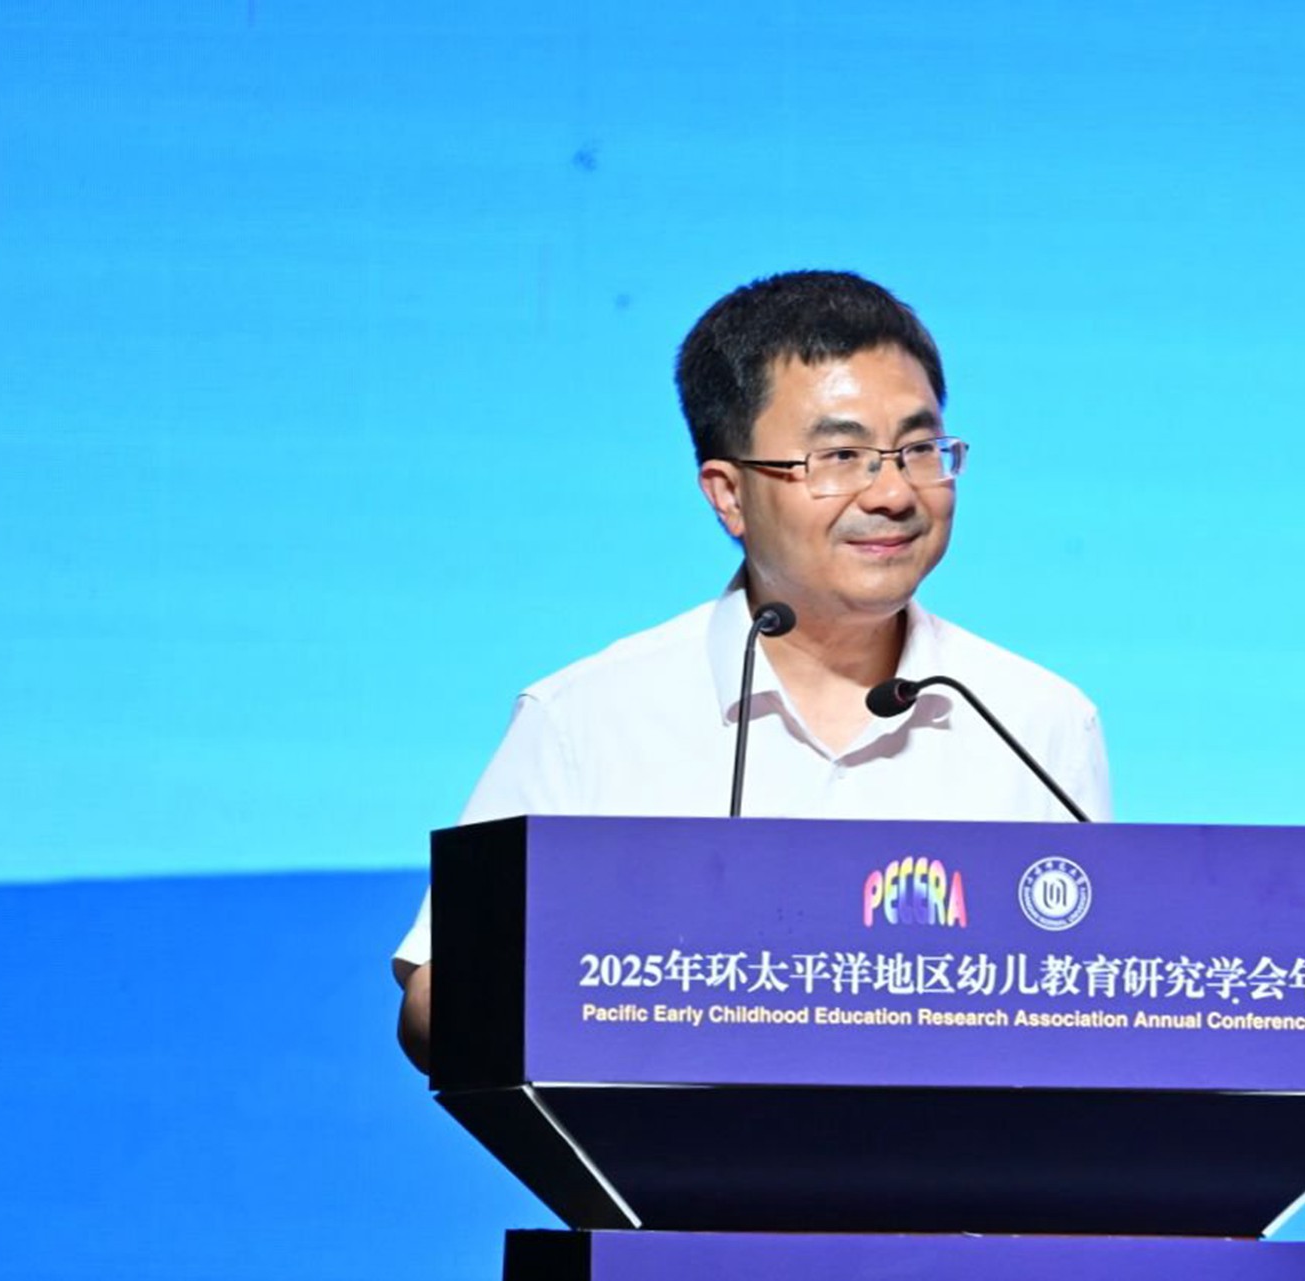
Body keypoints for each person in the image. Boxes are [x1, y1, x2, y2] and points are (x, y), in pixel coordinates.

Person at [393, 270, 1110, 1071]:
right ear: (728, 495)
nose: (894, 492)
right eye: (840, 456)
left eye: (918, 449)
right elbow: (435, 995)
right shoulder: (587, 717)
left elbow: (1094, 999)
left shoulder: (1036, 719)